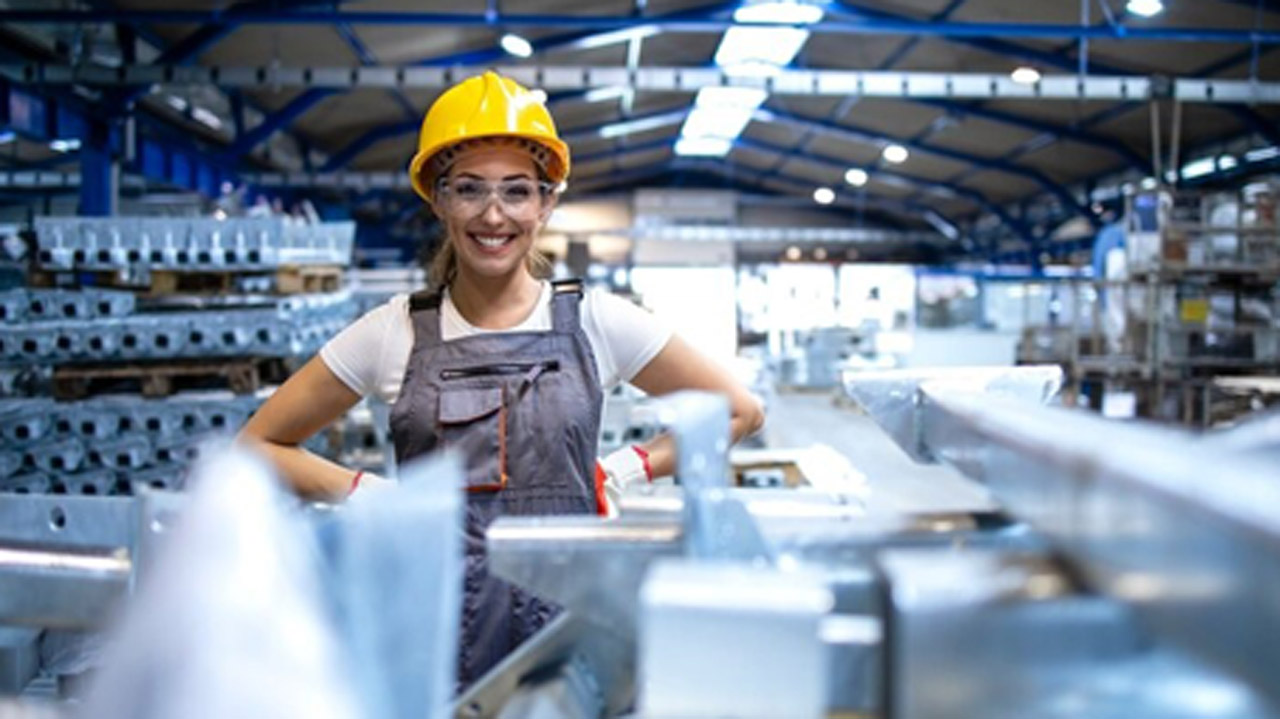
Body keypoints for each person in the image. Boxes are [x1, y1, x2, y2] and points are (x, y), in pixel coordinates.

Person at [237, 71, 765, 688]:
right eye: (469, 190)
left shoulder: (596, 320)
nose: (494, 215)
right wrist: (372, 494)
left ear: (546, 203)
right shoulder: (393, 332)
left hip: (568, 629)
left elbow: (739, 411)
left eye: (517, 192)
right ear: (438, 199)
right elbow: (257, 443)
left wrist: (619, 470)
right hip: (435, 634)